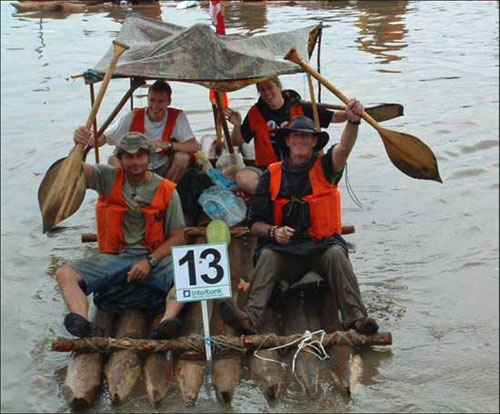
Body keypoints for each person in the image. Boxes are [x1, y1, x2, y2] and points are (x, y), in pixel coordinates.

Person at [220, 107, 379, 336]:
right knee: (266, 255)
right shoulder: (271, 175)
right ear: (288, 141)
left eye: (306, 136)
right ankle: (250, 319)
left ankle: (358, 318)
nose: (301, 140)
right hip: (285, 251)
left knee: (337, 253)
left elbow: (344, 149)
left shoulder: (326, 167)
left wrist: (352, 122)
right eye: (296, 136)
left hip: (321, 247)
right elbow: (255, 225)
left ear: (314, 142)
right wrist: (274, 232)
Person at [55, 132, 186, 339]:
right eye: (129, 157)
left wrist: (150, 261)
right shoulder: (107, 177)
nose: (135, 162)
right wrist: (79, 147)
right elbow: (74, 171)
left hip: (152, 258)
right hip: (115, 258)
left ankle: (167, 321)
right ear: (120, 159)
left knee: (188, 273)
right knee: (64, 274)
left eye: (140, 156)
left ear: (148, 157)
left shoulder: (167, 190)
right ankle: (82, 321)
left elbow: (178, 236)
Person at [222, 75, 349, 194]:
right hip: (268, 170)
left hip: (300, 167)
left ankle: (280, 192)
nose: (267, 93)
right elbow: (236, 142)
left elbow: (336, 117)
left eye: (270, 87)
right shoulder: (256, 112)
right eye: (262, 90)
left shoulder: (300, 106)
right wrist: (237, 125)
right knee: (243, 177)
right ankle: (279, 193)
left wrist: (350, 114)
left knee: (315, 177)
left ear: (279, 87)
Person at [74, 80, 199, 183]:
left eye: (160, 102)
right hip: (135, 165)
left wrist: (167, 145)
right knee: (113, 160)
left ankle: (164, 195)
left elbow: (194, 146)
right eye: (152, 100)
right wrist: (89, 136)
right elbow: (105, 138)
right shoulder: (133, 116)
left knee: (182, 158)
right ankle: (126, 196)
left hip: (162, 165)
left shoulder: (177, 116)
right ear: (147, 99)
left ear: (168, 102)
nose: (155, 106)